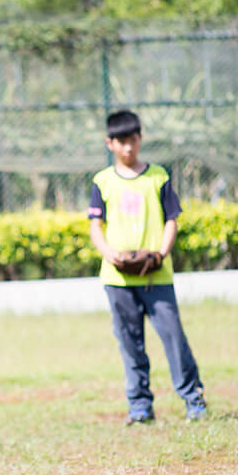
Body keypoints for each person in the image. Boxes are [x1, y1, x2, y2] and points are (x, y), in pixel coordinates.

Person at [88, 109, 206, 425]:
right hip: (118, 280)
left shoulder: (159, 177)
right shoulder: (102, 181)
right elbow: (95, 226)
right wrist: (109, 253)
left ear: (141, 139)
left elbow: (172, 220)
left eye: (133, 140)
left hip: (157, 277)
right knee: (130, 344)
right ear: (109, 143)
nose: (128, 148)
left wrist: (160, 254)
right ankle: (139, 406)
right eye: (121, 141)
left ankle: (193, 400)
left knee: (174, 339)